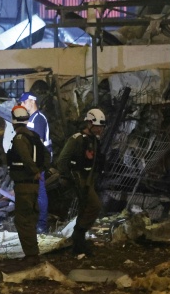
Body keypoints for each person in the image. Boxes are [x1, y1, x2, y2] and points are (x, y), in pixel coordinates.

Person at [56, 108, 106, 256]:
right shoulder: (77, 139)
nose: (99, 129)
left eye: (101, 126)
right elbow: (62, 160)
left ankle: (78, 242)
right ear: (89, 123)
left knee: (85, 209)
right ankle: (78, 235)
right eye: (97, 126)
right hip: (79, 179)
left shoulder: (94, 140)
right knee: (94, 205)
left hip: (88, 179)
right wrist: (70, 177)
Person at [7, 105, 49, 262]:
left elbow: (25, 157)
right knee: (30, 218)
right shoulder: (34, 136)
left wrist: (34, 171)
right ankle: (33, 252)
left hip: (24, 184)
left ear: (14, 121)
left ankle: (31, 254)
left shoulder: (19, 139)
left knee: (23, 220)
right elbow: (47, 155)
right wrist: (41, 170)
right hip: (34, 185)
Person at [20, 92, 51, 233]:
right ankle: (36, 223)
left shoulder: (38, 119)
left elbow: (37, 144)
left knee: (40, 192)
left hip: (38, 163)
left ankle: (42, 225)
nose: (22, 105)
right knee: (36, 192)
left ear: (32, 101)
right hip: (34, 162)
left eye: (24, 102)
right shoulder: (32, 118)